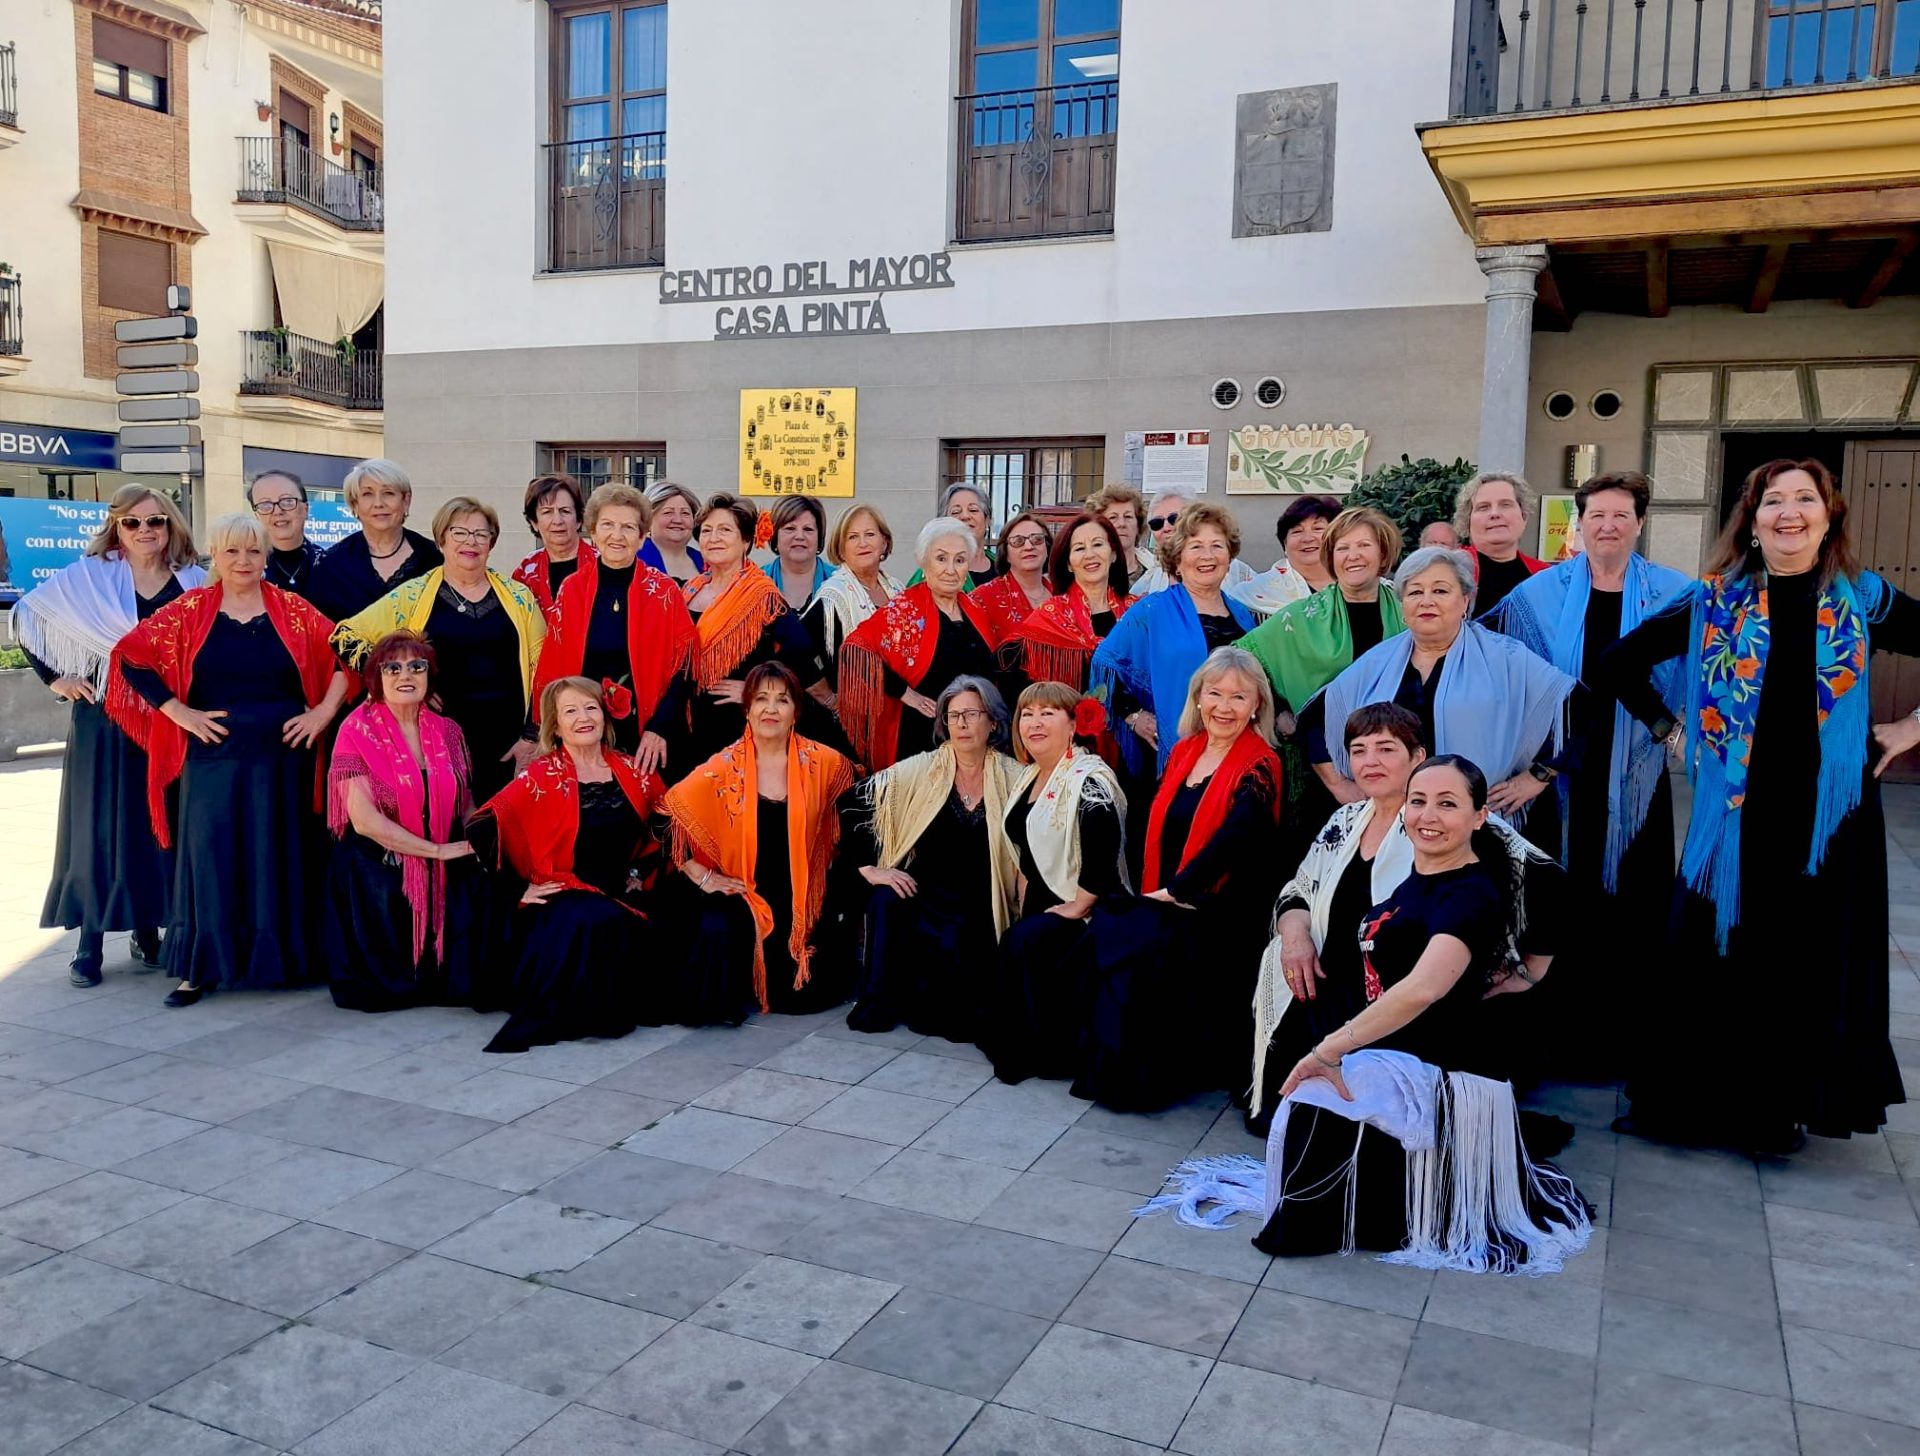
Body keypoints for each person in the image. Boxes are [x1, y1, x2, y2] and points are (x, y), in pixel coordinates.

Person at [1598, 458, 1920, 1153]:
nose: (1789, 512)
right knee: (1715, 950)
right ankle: (1694, 1102)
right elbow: (1619, 662)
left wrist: (1911, 727)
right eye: (1774, 500)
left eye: (1806, 499)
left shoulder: (1861, 596)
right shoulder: (1714, 599)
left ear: (1829, 515)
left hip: (1830, 818)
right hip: (1735, 812)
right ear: (1752, 519)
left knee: (1805, 957)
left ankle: (1779, 1110)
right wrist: (1671, 732)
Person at [1244, 755, 1590, 1273]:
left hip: (1442, 1068)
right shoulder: (1423, 873)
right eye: (1418, 801)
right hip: (1400, 1048)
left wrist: (1330, 1048)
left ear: (1479, 817)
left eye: (1448, 804)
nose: (1428, 815)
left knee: (1314, 1108)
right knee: (1305, 1114)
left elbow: (1423, 989)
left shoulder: (1469, 895)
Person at [1248, 704, 1563, 1126]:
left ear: (1418, 757)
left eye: (1385, 749)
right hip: (1328, 987)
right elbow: (1299, 888)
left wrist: (1530, 971)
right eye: (1358, 751)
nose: (1370, 761)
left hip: (1398, 1003)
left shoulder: (1453, 821)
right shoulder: (1346, 819)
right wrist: (1295, 935)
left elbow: (1551, 883)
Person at [1487, 471, 1691, 1076]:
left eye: (1621, 516)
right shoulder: (1537, 596)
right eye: (1596, 515)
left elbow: (1711, 667)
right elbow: (1495, 661)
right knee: (1558, 898)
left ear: (1639, 523)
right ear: (1579, 523)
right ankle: (1553, 1041)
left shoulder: (1675, 594)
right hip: (1557, 771)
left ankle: (1621, 1043)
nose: (1607, 526)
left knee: (1634, 899)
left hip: (1638, 765)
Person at [107, 513, 348, 1006]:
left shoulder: (294, 609)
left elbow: (350, 654)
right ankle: (201, 968)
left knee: (281, 857)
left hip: (285, 761)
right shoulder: (189, 609)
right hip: (212, 759)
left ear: (266, 557)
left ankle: (287, 962)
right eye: (232, 551)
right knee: (210, 858)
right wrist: (178, 712)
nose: (244, 561)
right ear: (213, 556)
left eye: (254, 551)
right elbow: (130, 656)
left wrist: (322, 714)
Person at [13, 486, 205, 987]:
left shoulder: (194, 580)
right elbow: (29, 616)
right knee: (100, 828)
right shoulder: (89, 577)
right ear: (116, 527)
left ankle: (148, 932)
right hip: (105, 722)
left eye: (156, 522)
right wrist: (56, 678)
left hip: (168, 723)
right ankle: (88, 943)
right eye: (133, 523)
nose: (146, 531)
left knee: (156, 826)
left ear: (172, 526)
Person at [1077, 648, 1283, 1110]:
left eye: (1238, 697)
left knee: (1135, 940)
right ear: (1198, 698)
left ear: (1257, 706)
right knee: (1110, 928)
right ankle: (1110, 1069)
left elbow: (1237, 838)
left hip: (1221, 906)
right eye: (1215, 694)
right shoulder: (1185, 751)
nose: (1224, 707)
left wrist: (1176, 892)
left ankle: (1144, 1080)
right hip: (1169, 895)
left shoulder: (1261, 764)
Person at [1305, 546, 1576, 850]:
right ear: (1403, 607)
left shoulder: (1507, 657)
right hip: (1394, 830)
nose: (1426, 601)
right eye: (1415, 592)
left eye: (1440, 590)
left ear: (1465, 600)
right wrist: (1340, 784)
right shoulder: (1376, 663)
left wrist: (1536, 776)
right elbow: (1315, 720)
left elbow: (1580, 709)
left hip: (1479, 829)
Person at [467, 677, 666, 1053]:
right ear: (555, 726)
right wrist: (518, 885)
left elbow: (666, 826)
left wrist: (641, 873)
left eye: (590, 708)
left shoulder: (635, 770)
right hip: (564, 891)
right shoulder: (540, 776)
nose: (583, 718)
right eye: (570, 711)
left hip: (625, 892)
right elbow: (483, 825)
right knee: (592, 919)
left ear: (605, 716)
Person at [662, 662, 856, 1023]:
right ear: (747, 709)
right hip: (746, 891)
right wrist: (702, 876)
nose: (771, 709)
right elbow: (666, 817)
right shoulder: (721, 768)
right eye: (761, 699)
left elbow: (863, 814)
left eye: (782, 700)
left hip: (803, 894)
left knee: (802, 996)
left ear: (796, 711)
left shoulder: (826, 764)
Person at [842, 676, 1024, 1041]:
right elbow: (851, 801)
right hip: (925, 897)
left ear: (993, 722)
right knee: (886, 898)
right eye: (953, 715)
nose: (961, 724)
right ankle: (882, 999)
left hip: (982, 901)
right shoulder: (922, 769)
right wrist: (871, 869)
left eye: (972, 714)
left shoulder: (1015, 777)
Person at [333, 497, 547, 803]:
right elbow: (344, 636)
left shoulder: (519, 597)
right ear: (441, 540)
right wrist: (398, 679)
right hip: (434, 743)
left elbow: (545, 667)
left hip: (509, 746)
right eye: (459, 533)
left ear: (492, 542)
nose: (470, 542)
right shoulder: (413, 594)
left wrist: (531, 736)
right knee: (445, 834)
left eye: (480, 534)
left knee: (504, 838)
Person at [324, 630, 491, 1013]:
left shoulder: (448, 730)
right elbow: (364, 822)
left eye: (417, 667)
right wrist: (437, 851)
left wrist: (483, 838)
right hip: (379, 864)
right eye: (392, 667)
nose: (406, 675)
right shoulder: (355, 730)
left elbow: (465, 804)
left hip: (440, 855)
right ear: (375, 678)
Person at [979, 682, 1128, 1085]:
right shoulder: (1031, 774)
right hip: (1046, 896)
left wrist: (1079, 905)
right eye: (1027, 713)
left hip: (1087, 903)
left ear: (1073, 724)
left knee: (1023, 944)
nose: (1035, 722)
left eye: (1048, 713)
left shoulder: (1087, 776)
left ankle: (1040, 1056)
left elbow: (1102, 841)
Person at [1240, 506, 1405, 866]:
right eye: (1342, 548)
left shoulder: (1408, 611)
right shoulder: (1301, 617)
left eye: (1364, 545)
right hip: (1323, 771)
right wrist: (1279, 709)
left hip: (1401, 772)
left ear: (1383, 554)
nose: (1353, 556)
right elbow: (1243, 657)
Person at [533, 483, 694, 775]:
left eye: (628, 527)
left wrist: (659, 728)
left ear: (643, 537)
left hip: (651, 732)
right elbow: (552, 666)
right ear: (593, 533)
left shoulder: (664, 591)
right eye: (607, 525)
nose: (617, 536)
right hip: (585, 730)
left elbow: (687, 667)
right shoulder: (572, 589)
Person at [1092, 502, 1259, 778]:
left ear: (1229, 559)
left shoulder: (1242, 614)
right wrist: (1133, 717)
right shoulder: (1152, 610)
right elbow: (1106, 665)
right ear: (1178, 561)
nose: (1208, 556)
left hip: (1236, 749)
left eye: (1217, 546)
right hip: (1176, 751)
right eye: (1196, 547)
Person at [838, 518, 998, 771]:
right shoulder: (905, 610)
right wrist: (905, 693)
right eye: (941, 558)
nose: (951, 569)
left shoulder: (976, 611)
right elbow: (855, 650)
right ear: (924, 562)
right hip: (922, 742)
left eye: (959, 560)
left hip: (974, 743)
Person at [683, 493, 825, 758]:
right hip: (689, 722)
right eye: (707, 530)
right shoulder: (688, 590)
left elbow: (802, 655)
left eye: (725, 530)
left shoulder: (762, 596)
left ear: (746, 540)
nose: (714, 538)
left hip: (739, 727)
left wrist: (757, 689)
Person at [1001, 511, 1135, 694]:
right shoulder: (1050, 616)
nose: (1090, 554)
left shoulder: (1137, 614)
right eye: (1079, 548)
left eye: (1097, 544)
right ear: (1069, 564)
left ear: (1113, 554)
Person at [305, 459, 443, 623]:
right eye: (367, 494)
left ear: (406, 500)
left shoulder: (435, 558)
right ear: (355, 504)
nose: (378, 503)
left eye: (388, 493)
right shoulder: (330, 565)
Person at [803, 504, 902, 701]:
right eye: (852, 537)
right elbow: (796, 654)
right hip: (853, 716)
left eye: (870, 534)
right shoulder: (832, 598)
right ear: (841, 549)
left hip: (898, 711)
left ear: (884, 542)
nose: (862, 543)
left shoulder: (898, 590)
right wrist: (828, 699)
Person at [1230, 496, 1339, 617]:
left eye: (1318, 529)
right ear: (1285, 545)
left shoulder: (1357, 585)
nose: (1307, 538)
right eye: (1297, 531)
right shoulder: (1251, 594)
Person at [1131, 493, 1259, 596]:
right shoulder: (1146, 587)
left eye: (1174, 519)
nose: (1166, 527)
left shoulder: (1240, 575)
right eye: (1157, 523)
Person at [1456, 472, 1546, 617]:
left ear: (1524, 517)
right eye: (1483, 507)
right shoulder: (1449, 570)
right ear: (1468, 521)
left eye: (1505, 505)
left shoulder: (1546, 577)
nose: (1495, 514)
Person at [512, 473, 595, 612]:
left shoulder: (602, 564)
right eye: (547, 512)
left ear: (579, 519)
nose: (557, 520)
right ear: (534, 522)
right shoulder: (525, 571)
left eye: (565, 511)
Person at [969, 512, 1053, 646]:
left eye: (1037, 539)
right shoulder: (983, 598)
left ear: (1047, 548)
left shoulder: (1063, 593)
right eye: (1018, 541)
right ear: (1006, 553)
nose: (1029, 547)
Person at [249, 471, 323, 597]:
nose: (277, 511)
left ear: (306, 509)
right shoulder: (245, 570)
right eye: (265, 505)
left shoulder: (332, 566)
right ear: (257, 516)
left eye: (287, 501)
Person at [907, 483, 994, 588]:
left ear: (988, 520)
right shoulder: (929, 572)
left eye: (973, 510)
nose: (965, 516)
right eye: (956, 512)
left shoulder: (1006, 567)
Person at [760, 495, 833, 610]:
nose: (799, 536)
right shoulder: (756, 584)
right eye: (790, 529)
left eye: (808, 529)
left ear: (819, 537)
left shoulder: (840, 583)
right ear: (775, 536)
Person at [1087, 485, 1152, 590]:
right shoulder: (1089, 572)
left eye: (1128, 517)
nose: (1121, 524)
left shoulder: (1157, 572)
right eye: (1113, 517)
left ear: (1138, 525)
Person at [640, 482, 705, 585]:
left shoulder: (707, 562)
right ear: (648, 519)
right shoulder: (634, 560)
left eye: (685, 513)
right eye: (668, 512)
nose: (678, 520)